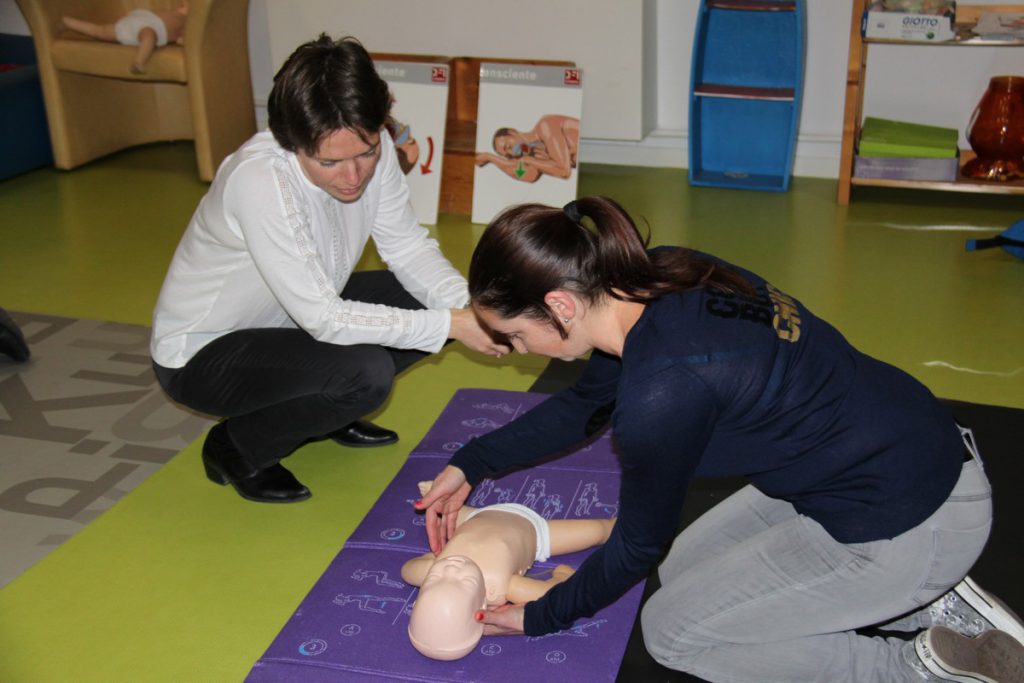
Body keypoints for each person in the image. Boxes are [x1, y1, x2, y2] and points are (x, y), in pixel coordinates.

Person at [415, 195, 1024, 682]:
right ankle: (930, 602)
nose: (517, 352)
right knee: (683, 573)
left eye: (517, 337)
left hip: (909, 520)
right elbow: (584, 404)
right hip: (903, 455)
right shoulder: (657, 274)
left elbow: (635, 545)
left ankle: (913, 668)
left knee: (674, 634)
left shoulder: (662, 392)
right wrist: (472, 463)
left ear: (560, 305)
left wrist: (539, 618)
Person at [150, 35, 507, 504]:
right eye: (329, 162)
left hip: (291, 317)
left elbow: (406, 247)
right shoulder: (260, 182)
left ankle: (328, 409)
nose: (354, 176)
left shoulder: (368, 146)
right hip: (203, 355)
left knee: (427, 303)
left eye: (365, 153)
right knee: (366, 373)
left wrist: (468, 310)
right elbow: (323, 317)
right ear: (291, 142)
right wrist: (449, 324)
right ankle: (237, 446)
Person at [402, 481, 613, 660]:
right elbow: (550, 595)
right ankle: (613, 525)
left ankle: (439, 492)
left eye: (437, 578)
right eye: (464, 581)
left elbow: (407, 570)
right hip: (536, 530)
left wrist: (427, 568)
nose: (451, 568)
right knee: (596, 531)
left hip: (473, 517)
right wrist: (561, 576)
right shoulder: (501, 586)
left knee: (445, 509)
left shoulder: (433, 569)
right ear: (483, 604)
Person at [61, 3, 188, 74]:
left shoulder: (188, 25)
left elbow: (182, 40)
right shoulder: (181, 14)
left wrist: (183, 40)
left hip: (147, 28)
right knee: (101, 31)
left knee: (149, 38)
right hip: (142, 20)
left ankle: (139, 62)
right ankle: (70, 24)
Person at [475, 114, 579, 182]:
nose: (512, 152)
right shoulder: (538, 156)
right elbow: (527, 175)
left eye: (509, 146)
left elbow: (563, 171)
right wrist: (490, 158)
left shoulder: (545, 126)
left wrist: (528, 160)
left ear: (513, 132)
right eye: (508, 155)